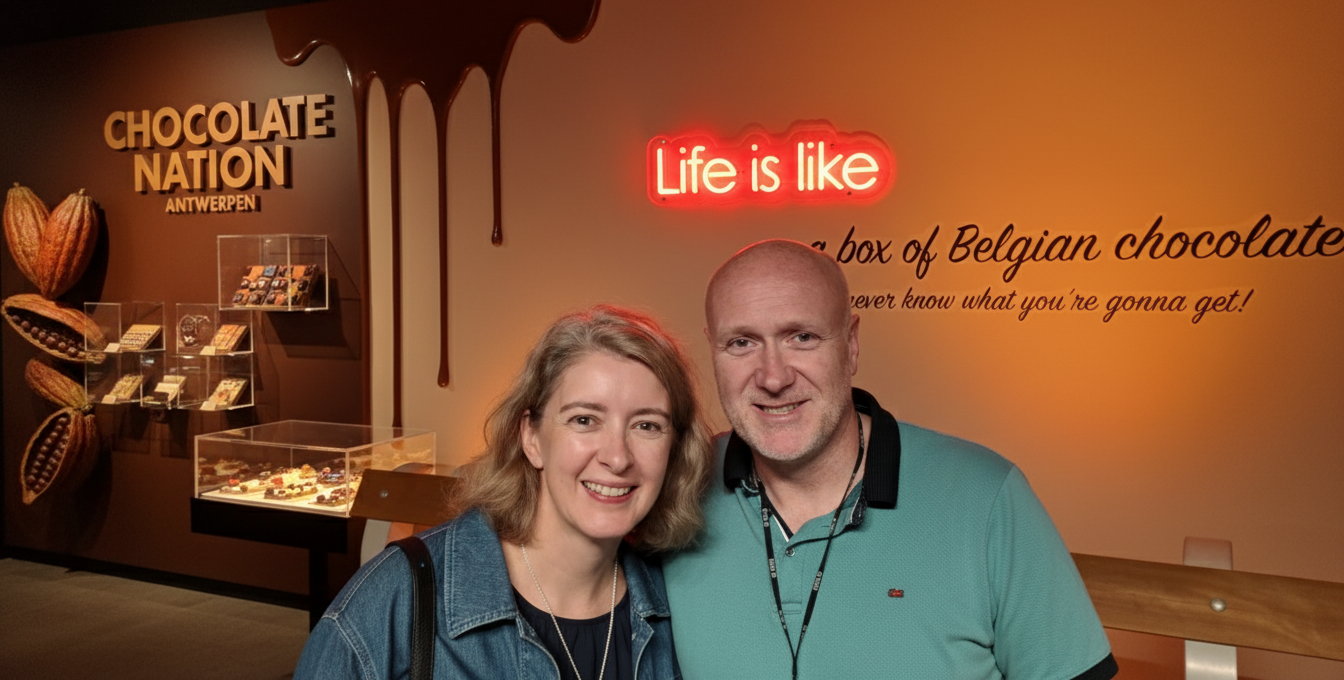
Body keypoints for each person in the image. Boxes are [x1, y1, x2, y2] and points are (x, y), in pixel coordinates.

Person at [663, 240, 1118, 680]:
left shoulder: (986, 497)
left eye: (802, 337)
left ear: (852, 343)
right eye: (741, 343)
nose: (773, 377)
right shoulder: (676, 486)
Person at [296, 305, 714, 680]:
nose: (618, 457)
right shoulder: (398, 596)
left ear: (674, 449)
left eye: (647, 426)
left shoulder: (677, 608)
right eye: (585, 420)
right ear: (531, 437)